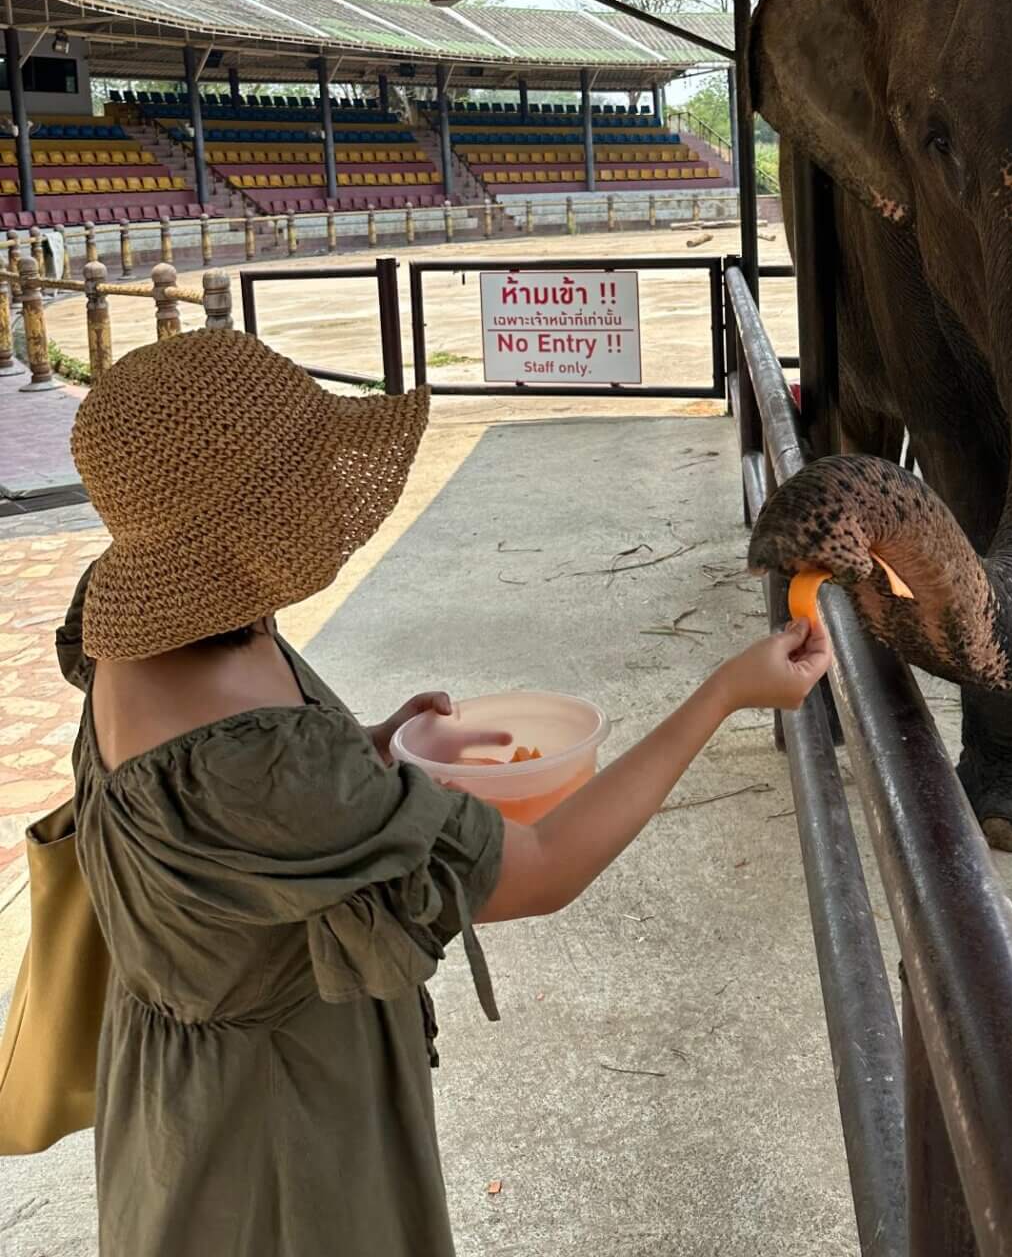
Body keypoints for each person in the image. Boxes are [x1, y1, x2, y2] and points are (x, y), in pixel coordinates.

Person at [61, 328, 831, 1257]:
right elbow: (541, 871)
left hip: (172, 1089)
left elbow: (233, 827)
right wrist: (729, 692)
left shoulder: (139, 624)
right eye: (298, 478)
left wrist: (369, 749)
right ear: (249, 519)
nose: (321, 497)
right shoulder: (264, 764)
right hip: (276, 1130)